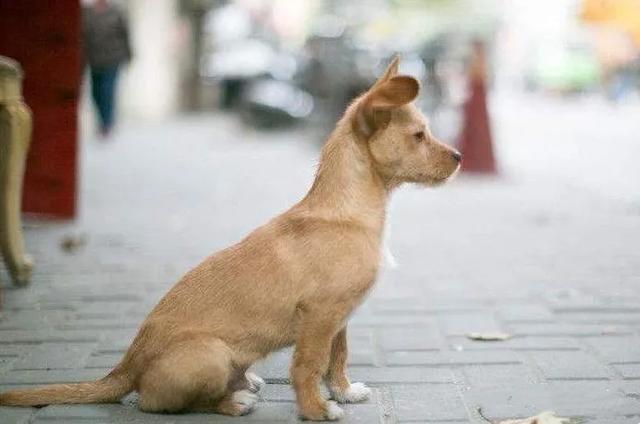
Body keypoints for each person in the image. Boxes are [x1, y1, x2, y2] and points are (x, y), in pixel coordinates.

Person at [82, 0, 132, 137]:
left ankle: (107, 124)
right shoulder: (87, 13)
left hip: (112, 59)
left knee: (107, 91)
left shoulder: (116, 13)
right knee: (96, 93)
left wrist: (129, 55)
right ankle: (102, 121)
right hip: (94, 59)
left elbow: (125, 35)